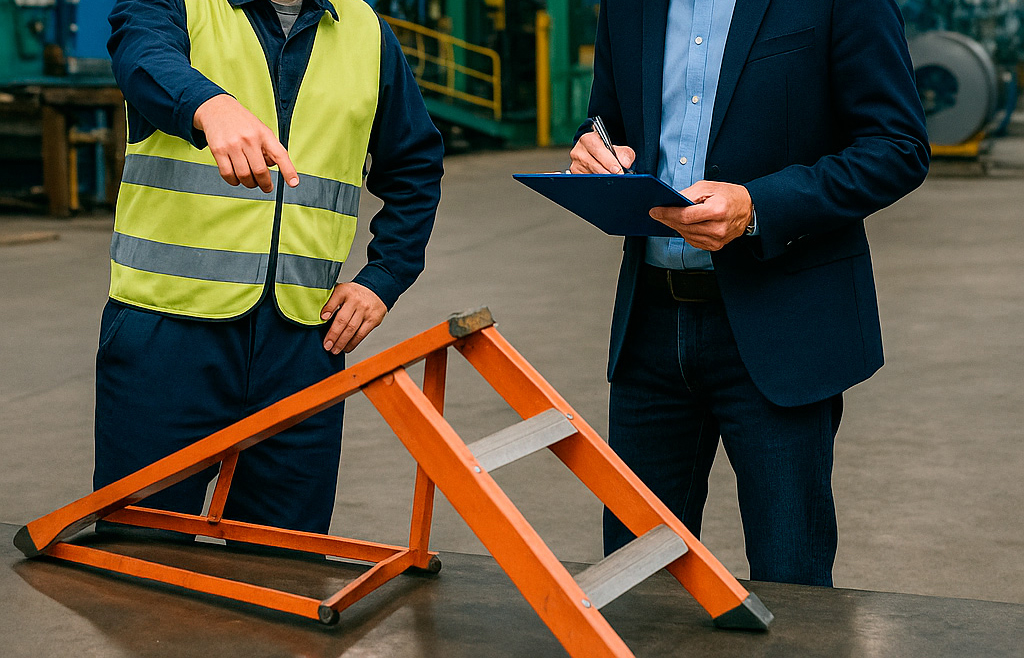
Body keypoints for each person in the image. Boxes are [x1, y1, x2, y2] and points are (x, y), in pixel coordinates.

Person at [569, 0, 929, 585]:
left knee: (791, 587)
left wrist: (758, 206)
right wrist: (596, 150)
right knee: (636, 579)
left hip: (781, 327)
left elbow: (896, 146)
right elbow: (605, 122)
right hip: (651, 329)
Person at [94, 0, 444, 536]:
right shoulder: (176, 5)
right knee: (142, 550)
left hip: (303, 343)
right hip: (167, 335)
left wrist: (385, 278)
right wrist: (207, 104)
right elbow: (141, 56)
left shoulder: (365, 30)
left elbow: (414, 163)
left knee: (285, 558)